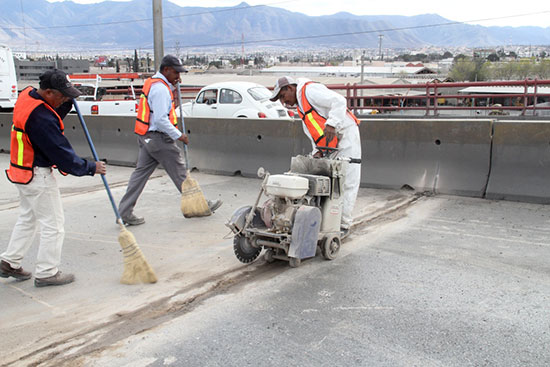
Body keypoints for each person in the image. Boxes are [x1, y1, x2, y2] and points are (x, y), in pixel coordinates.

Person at [0, 69, 107, 287]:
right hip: (37, 174)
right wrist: (90, 167)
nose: (66, 98)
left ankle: (9, 261)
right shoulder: (41, 119)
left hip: (21, 170)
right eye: (63, 95)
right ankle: (47, 272)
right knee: (54, 225)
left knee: (28, 218)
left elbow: (51, 112)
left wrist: (66, 103)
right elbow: (62, 155)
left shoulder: (27, 95)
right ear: (48, 92)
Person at [118, 55, 222, 225]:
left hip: (146, 138)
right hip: (159, 138)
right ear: (166, 70)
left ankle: (124, 212)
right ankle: (200, 206)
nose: (178, 78)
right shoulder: (160, 90)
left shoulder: (153, 83)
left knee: (139, 176)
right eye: (176, 73)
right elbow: (160, 119)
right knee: (180, 172)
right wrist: (178, 135)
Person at [269, 76, 361, 236]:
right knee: (325, 182)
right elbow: (314, 131)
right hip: (328, 143)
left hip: (345, 136)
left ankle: (343, 226)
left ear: (290, 88)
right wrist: (316, 151)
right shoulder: (300, 106)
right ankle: (325, 221)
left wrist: (332, 123)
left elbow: (339, 101)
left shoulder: (309, 91)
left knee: (347, 181)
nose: (284, 103)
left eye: (283, 97)